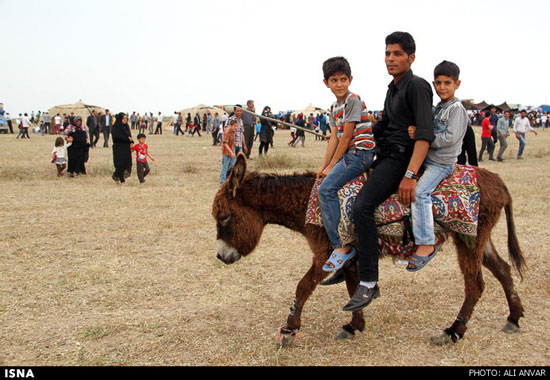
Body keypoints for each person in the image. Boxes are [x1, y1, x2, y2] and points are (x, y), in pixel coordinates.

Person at [343, 31, 434, 312]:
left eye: (396, 54)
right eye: (387, 53)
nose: (390, 59)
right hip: (384, 153)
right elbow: (386, 125)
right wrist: (357, 134)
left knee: (362, 207)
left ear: (411, 57)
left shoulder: (417, 86)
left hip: (399, 159)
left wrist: (409, 175)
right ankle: (347, 259)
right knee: (341, 189)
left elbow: (424, 134)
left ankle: (369, 282)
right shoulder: (393, 87)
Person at [405, 60, 467, 271]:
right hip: (429, 157)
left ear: (457, 84)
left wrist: (424, 137)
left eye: (447, 83)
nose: (442, 87)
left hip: (442, 162)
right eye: (438, 83)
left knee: (420, 192)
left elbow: (450, 138)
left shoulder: (457, 109)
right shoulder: (438, 108)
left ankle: (426, 243)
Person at [315, 56, 375, 272]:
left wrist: (333, 166)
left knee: (326, 190)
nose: (339, 84)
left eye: (343, 79)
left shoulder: (353, 100)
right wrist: (324, 166)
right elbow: (333, 138)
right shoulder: (333, 107)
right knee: (323, 182)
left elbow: (347, 136)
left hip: (360, 153)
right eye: (334, 80)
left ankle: (340, 246)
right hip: (349, 153)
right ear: (326, 83)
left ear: (350, 79)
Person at [111, 113, 134, 184]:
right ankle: (121, 179)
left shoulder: (126, 126)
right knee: (120, 164)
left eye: (126, 118)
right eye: (123, 118)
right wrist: (127, 139)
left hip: (126, 148)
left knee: (128, 163)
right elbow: (116, 137)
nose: (125, 120)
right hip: (119, 148)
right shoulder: (115, 127)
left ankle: (119, 177)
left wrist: (131, 142)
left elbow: (129, 136)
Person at [220, 119, 238, 185]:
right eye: (235, 126)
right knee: (225, 168)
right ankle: (222, 183)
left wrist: (233, 152)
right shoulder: (227, 132)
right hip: (226, 153)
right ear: (231, 125)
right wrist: (231, 152)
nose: (236, 128)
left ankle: (229, 180)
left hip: (231, 152)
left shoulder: (233, 132)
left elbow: (232, 143)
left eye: (237, 126)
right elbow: (225, 143)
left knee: (232, 166)